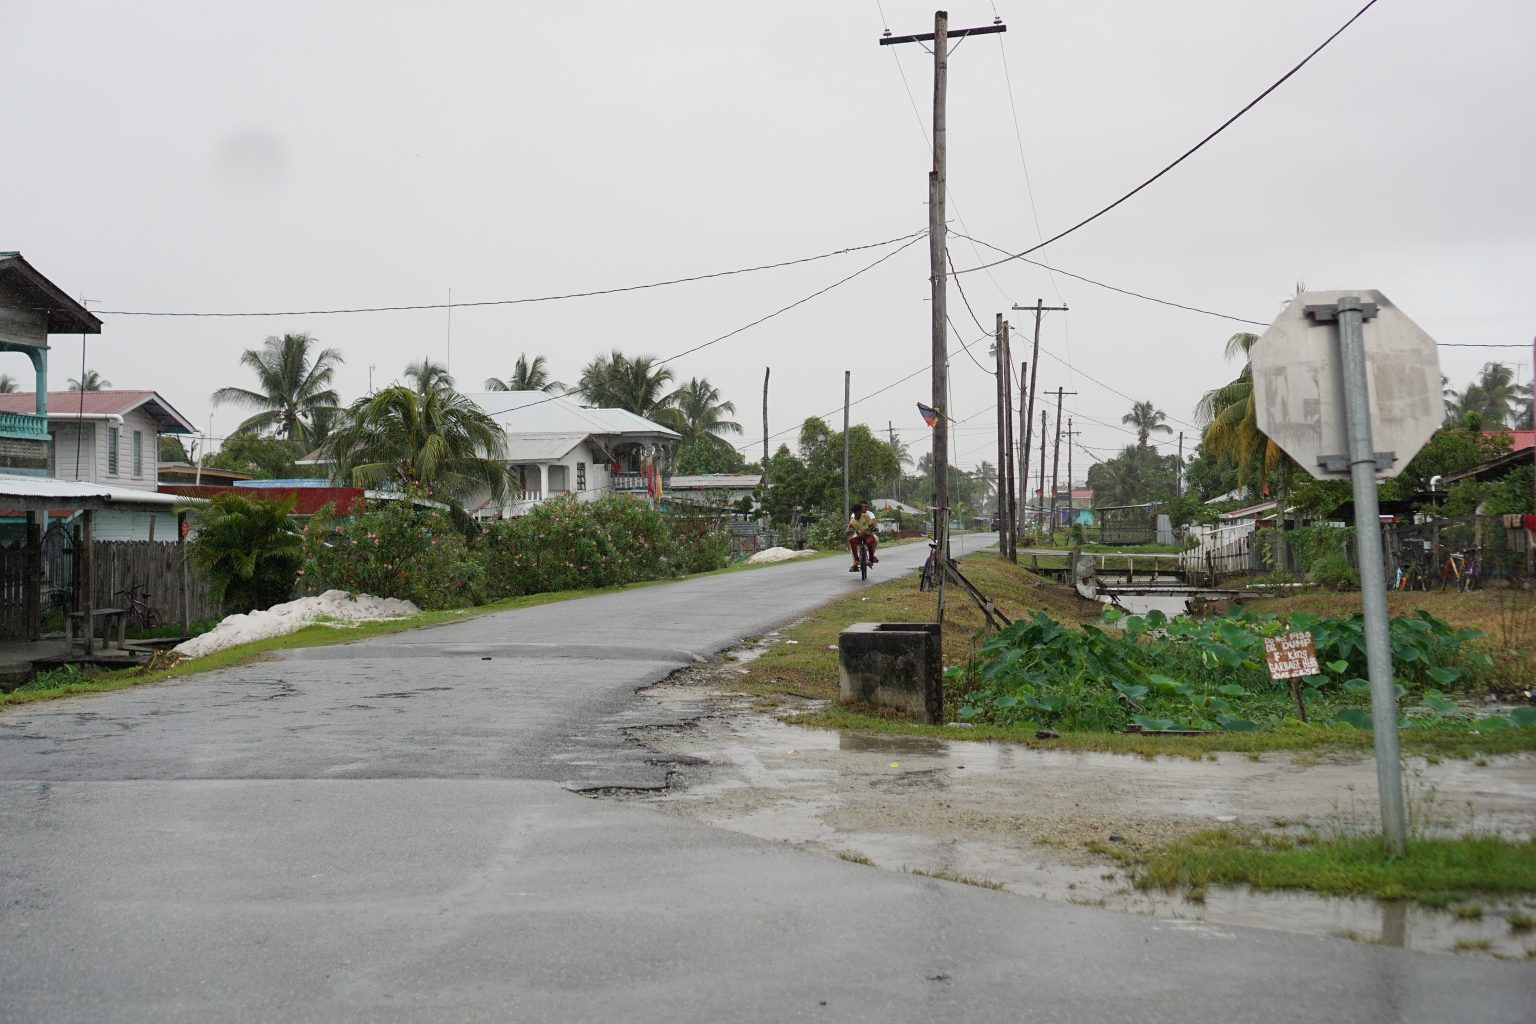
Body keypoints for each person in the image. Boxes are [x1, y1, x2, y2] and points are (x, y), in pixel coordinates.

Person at [846, 501, 879, 572]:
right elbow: (850, 525)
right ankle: (856, 562)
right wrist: (848, 530)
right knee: (852, 541)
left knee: (873, 541)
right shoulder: (853, 518)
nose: (864, 508)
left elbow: (873, 523)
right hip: (858, 535)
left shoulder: (868, 515)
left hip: (868, 534)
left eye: (865, 507)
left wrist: (873, 528)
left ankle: (871, 558)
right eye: (862, 507)